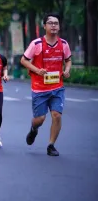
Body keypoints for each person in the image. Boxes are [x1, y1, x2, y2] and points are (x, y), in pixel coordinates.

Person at [20, 13, 72, 157]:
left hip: (57, 87)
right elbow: (23, 60)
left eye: (56, 23)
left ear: (59, 26)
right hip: (39, 88)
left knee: (56, 115)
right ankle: (33, 129)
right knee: (40, 119)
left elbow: (68, 60)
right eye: (50, 23)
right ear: (44, 26)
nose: (54, 25)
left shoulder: (64, 44)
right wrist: (37, 70)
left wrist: (67, 70)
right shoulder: (36, 44)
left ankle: (51, 145)